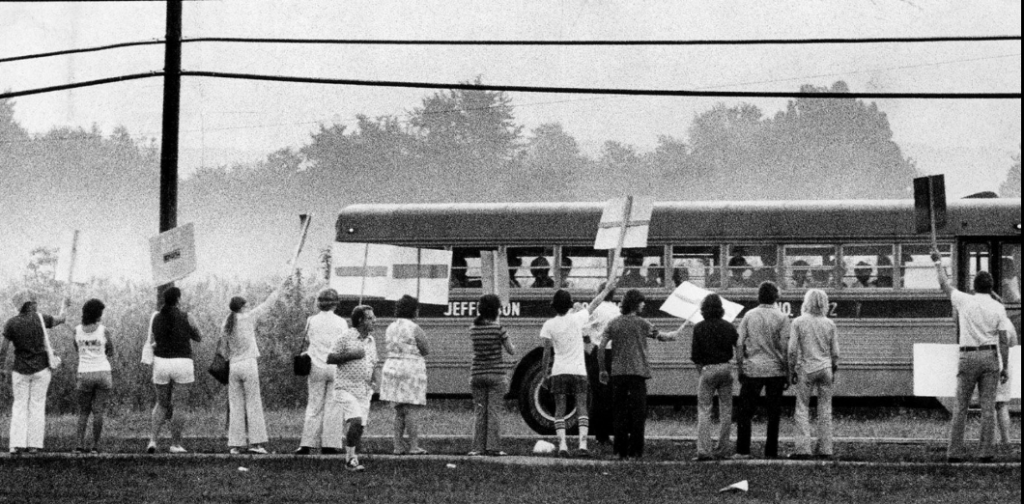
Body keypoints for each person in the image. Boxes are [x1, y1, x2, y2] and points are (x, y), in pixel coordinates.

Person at [933, 251, 1011, 463]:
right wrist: (1005, 367)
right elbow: (1004, 339)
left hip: (968, 356)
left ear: (974, 286)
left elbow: (944, 284)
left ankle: (955, 452)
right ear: (991, 287)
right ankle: (986, 451)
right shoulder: (998, 307)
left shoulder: (964, 300)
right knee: (988, 408)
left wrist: (938, 262)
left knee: (961, 407)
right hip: (990, 357)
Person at [598, 290, 681, 460]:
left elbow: (601, 348)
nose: (644, 304)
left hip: (618, 373)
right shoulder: (643, 323)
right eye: (641, 302)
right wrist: (672, 336)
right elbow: (660, 337)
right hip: (638, 372)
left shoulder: (613, 323)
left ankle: (619, 451)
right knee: (638, 413)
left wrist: (602, 370)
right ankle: (636, 451)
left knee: (619, 412)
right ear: (635, 304)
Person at [540, 282, 617, 457]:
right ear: (569, 305)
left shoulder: (548, 325)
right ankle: (583, 445)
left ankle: (563, 446)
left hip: (559, 370)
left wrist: (545, 374)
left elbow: (546, 353)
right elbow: (595, 303)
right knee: (582, 406)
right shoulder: (577, 318)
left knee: (560, 408)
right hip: (579, 371)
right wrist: (605, 290)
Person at [218, 278, 289, 455]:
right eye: (247, 305)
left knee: (236, 405)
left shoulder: (226, 323)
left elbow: (224, 348)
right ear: (242, 307)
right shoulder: (248, 317)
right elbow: (267, 304)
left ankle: (236, 444)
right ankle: (256, 443)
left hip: (234, 365)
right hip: (248, 363)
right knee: (253, 403)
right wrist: (278, 289)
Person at [1, 291, 68, 455]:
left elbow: (3, 349)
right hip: (42, 369)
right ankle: (34, 445)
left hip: (20, 370)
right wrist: (64, 306)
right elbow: (61, 319)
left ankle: (16, 444)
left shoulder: (11, 323)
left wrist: (1, 367)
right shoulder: (41, 318)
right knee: (37, 406)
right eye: (35, 302)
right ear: (30, 304)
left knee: (20, 406)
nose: (36, 304)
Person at [735, 282, 790, 460]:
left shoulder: (749, 315)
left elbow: (739, 343)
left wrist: (740, 366)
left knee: (745, 412)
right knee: (773, 413)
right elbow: (785, 347)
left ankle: (743, 450)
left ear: (758, 296)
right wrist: (788, 372)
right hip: (776, 370)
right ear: (776, 297)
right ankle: (771, 451)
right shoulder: (782, 317)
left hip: (752, 369)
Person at [324, 305, 381, 472]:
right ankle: (349, 459)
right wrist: (351, 355)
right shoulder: (345, 337)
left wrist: (376, 383)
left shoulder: (371, 340)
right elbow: (330, 358)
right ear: (360, 320)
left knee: (360, 426)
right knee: (355, 420)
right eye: (370, 318)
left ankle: (353, 456)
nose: (374, 320)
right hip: (345, 388)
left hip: (363, 390)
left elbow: (374, 363)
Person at [147, 287, 203, 454]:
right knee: (179, 405)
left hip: (161, 362)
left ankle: (152, 441)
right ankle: (175, 444)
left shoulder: (156, 317)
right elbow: (199, 336)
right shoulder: (187, 316)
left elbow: (153, 340)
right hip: (182, 362)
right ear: (178, 299)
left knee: (161, 403)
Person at [787, 289, 840, 460]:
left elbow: (792, 350)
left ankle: (803, 449)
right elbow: (836, 353)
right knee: (825, 409)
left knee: (802, 407)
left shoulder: (798, 322)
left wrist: (791, 370)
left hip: (807, 368)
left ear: (806, 302)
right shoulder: (830, 324)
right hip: (825, 369)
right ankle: (825, 448)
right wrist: (833, 368)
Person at [295, 288, 349, 455]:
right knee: (334, 406)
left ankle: (307, 443)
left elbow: (310, 340)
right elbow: (344, 344)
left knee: (314, 405)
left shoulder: (311, 320)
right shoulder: (341, 322)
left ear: (319, 303)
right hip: (335, 367)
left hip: (316, 366)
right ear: (336, 304)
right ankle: (330, 444)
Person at [691, 294, 739, 461]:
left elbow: (695, 356)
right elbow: (738, 346)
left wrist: (702, 372)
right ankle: (723, 449)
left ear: (703, 309)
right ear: (721, 309)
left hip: (708, 369)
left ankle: (704, 451)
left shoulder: (698, 328)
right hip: (726, 368)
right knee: (726, 410)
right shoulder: (729, 327)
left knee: (704, 410)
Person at [380, 295, 430, 455]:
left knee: (399, 410)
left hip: (391, 368)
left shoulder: (390, 327)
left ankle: (398, 446)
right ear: (414, 310)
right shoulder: (414, 328)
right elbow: (426, 349)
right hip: (410, 369)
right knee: (411, 409)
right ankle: (414, 446)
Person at [469, 294, 516, 457]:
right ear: (496, 310)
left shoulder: (473, 329)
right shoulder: (499, 329)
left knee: (480, 412)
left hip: (477, 374)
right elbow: (511, 350)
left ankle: (477, 448)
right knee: (493, 412)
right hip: (496, 375)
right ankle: (493, 447)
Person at [73, 299, 115, 454]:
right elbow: (111, 351)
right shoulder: (104, 330)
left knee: (84, 411)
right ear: (98, 314)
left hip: (84, 373)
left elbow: (77, 349)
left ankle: (79, 445)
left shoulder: (77, 330)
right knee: (98, 411)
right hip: (103, 372)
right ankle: (95, 446)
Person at [583, 282, 621, 445]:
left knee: (598, 395)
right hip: (614, 354)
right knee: (611, 395)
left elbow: (583, 328)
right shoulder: (617, 310)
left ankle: (600, 434)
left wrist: (589, 346)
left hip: (597, 353)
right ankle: (608, 433)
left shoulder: (595, 309)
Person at [996, 313, 1018, 446]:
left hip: (987, 360)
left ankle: (989, 441)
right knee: (1002, 404)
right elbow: (1013, 343)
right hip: (1004, 362)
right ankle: (1006, 440)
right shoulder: (1007, 322)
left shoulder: (982, 319)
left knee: (988, 405)